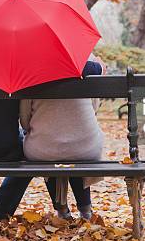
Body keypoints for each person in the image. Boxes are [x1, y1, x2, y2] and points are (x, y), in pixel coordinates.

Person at [0, 57, 104, 219]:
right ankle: (0, 210)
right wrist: (97, 67)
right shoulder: (11, 53)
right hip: (2, 147)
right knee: (26, 156)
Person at [18, 54, 105, 220]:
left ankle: (62, 210)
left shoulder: (29, 66)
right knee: (77, 148)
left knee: (49, 146)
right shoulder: (88, 61)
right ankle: (86, 209)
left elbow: (24, 120)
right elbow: (94, 108)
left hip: (43, 150)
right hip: (86, 147)